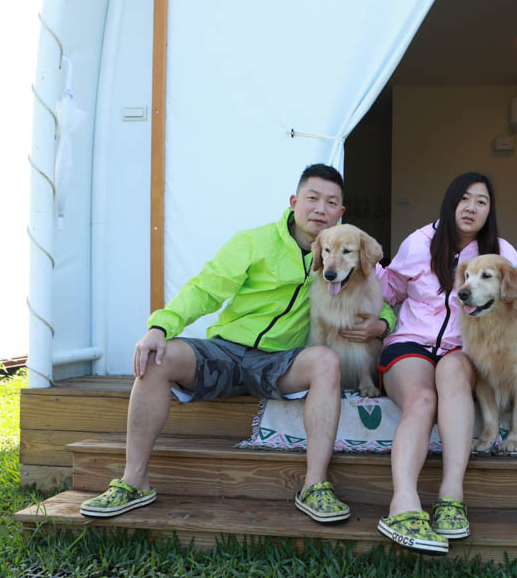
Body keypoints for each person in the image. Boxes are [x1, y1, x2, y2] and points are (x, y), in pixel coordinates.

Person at [79, 164, 396, 523]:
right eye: (312, 198)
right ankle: (134, 480)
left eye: (331, 202)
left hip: (280, 361)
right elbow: (205, 288)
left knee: (326, 360)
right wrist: (160, 327)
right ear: (294, 202)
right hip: (228, 351)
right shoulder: (254, 242)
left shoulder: (339, 255)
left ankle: (315, 486)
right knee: (157, 358)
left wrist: (384, 323)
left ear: (341, 212)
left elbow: (373, 295)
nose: (320, 209)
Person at [374, 172, 517, 555]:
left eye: (481, 201)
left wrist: (510, 312)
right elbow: (387, 292)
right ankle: (403, 503)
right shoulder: (419, 242)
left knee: (452, 374)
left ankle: (452, 496)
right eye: (464, 198)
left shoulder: (499, 251)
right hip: (411, 343)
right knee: (422, 399)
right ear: (450, 202)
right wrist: (380, 318)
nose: (471, 208)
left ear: (489, 211)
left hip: (463, 349)